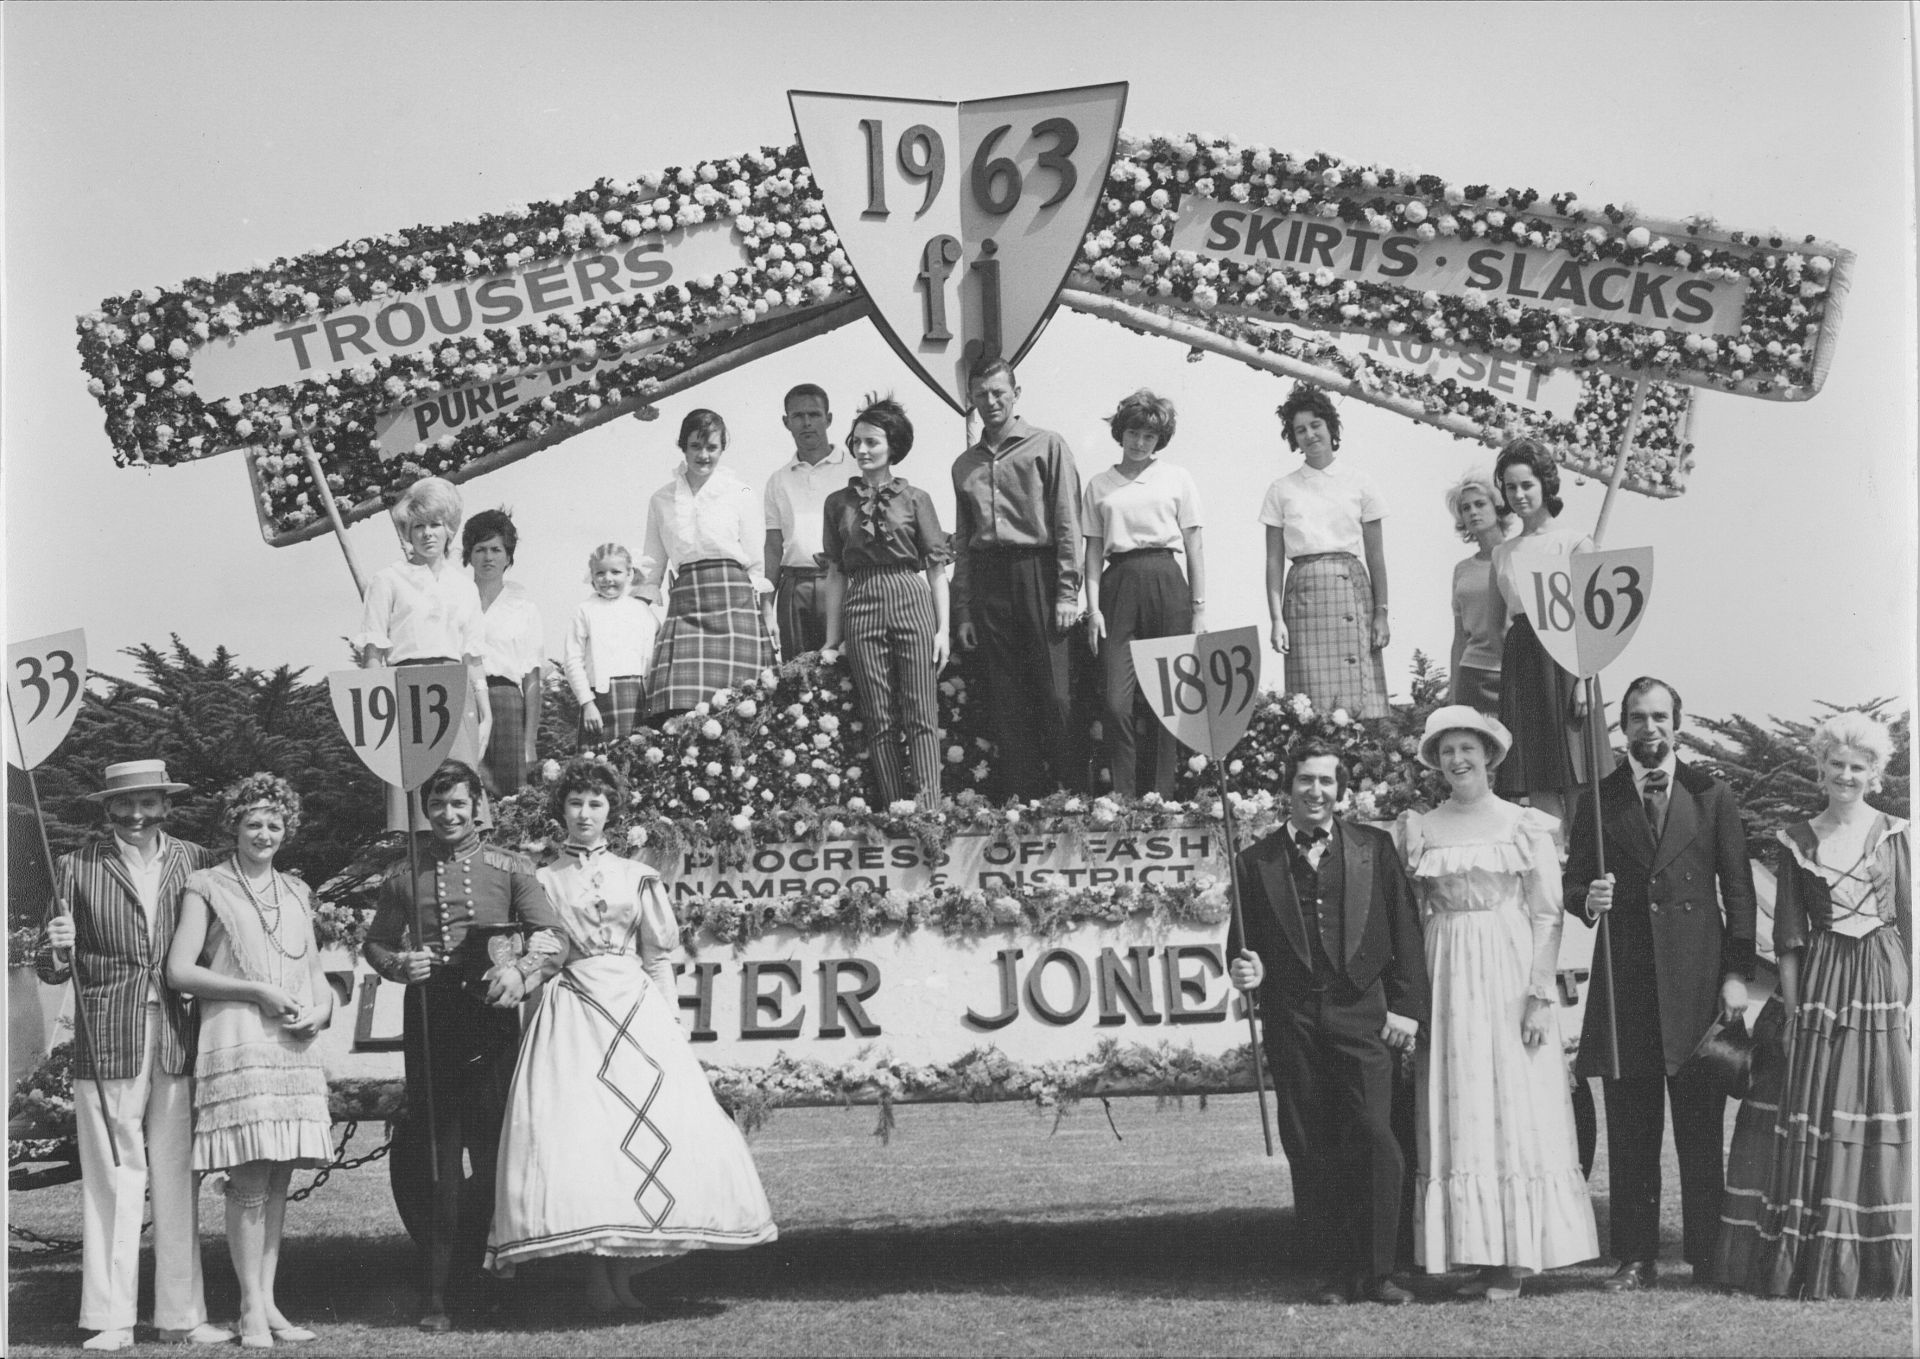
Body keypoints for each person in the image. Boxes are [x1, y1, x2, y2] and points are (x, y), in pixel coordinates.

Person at [487, 758, 777, 1305]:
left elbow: (657, 958)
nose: (584, 814)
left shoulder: (636, 875)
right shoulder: (543, 878)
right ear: (561, 810)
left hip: (637, 1010)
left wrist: (670, 1023)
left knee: (645, 1129)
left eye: (595, 804)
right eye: (575, 803)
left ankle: (626, 1276)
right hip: (573, 1012)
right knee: (586, 1135)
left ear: (611, 811)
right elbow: (540, 957)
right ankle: (596, 1278)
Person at [1395, 708, 1597, 1300]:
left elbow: (1547, 914)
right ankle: (1477, 1251)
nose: (1458, 760)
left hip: (1507, 971)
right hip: (1446, 971)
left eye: (1468, 748)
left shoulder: (1523, 824)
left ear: (1488, 755)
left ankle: (1516, 1256)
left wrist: (1539, 995)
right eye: (1447, 751)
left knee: (1512, 1097)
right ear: (1436, 761)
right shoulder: (1423, 828)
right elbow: (1410, 912)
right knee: (1461, 1102)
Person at [1565, 676, 1757, 1290]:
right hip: (1627, 986)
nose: (1648, 728)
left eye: (1658, 716)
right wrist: (1588, 899)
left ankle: (1706, 1254)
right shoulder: (1599, 798)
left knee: (1699, 1130)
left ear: (1677, 722)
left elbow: (1740, 892)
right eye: (1637, 717)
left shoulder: (1711, 794)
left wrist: (1736, 976)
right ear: (1622, 726)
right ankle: (1636, 1257)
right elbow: (1572, 883)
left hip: (1698, 984)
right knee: (1631, 1130)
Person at [361, 760, 567, 1332]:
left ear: (477, 806)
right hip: (432, 1015)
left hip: (491, 1013)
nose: (448, 815)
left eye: (458, 804)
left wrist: (522, 972)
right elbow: (376, 944)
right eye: (437, 804)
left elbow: (553, 935)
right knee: (440, 1157)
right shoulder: (403, 874)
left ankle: (501, 1279)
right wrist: (399, 965)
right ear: (424, 809)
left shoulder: (511, 866)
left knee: (496, 1150)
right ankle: (440, 1292)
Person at [1713, 711, 1911, 1299]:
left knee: (1873, 1101)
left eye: (1858, 767)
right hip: (1821, 981)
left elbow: (1911, 919)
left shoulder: (1897, 833)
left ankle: (1873, 1258)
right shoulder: (1796, 840)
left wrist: (1911, 1000)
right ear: (1820, 768)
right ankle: (1810, 1251)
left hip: (1880, 978)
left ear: (1874, 773)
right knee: (1818, 1103)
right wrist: (1797, 1011)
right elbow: (1788, 937)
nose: (1846, 775)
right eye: (1836, 765)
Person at [35, 758, 231, 1352]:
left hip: (177, 1032)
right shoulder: (75, 866)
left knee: (177, 1173)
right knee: (113, 1176)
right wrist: (57, 947)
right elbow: (50, 969)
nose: (137, 814)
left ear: (166, 805)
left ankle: (181, 1316)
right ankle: (111, 1318)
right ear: (108, 809)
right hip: (107, 1035)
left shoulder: (197, 861)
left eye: (149, 803)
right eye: (125, 804)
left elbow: (215, 946)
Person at [1227, 741, 1430, 1306]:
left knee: (1375, 1135)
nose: (1315, 791)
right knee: (1311, 1142)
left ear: (1340, 791)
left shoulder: (1373, 847)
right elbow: (1240, 947)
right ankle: (1335, 1274)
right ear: (1287, 788)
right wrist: (1245, 969)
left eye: (1325, 781)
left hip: (1362, 1013)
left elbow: (1405, 929)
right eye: (1305, 780)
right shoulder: (1255, 861)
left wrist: (1406, 1008)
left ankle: (1379, 1271)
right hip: (1292, 1018)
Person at [165, 775, 332, 1349]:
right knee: (250, 1177)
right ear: (234, 826)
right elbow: (180, 971)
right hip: (237, 1038)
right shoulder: (207, 885)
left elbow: (314, 972)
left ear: (287, 830)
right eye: (253, 823)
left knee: (278, 1176)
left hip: (292, 1047)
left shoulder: (297, 890)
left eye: (274, 824)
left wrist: (322, 1010)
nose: (264, 833)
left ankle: (267, 1302)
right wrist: (256, 991)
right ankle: (248, 1307)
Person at [949, 358, 1083, 801]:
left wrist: (1067, 593)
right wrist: (964, 610)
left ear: (1015, 394)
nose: (990, 402)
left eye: (998, 393)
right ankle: (1024, 803)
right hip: (989, 579)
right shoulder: (964, 465)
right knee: (1006, 697)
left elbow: (1067, 522)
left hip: (1037, 573)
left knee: (1056, 694)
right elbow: (964, 541)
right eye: (981, 395)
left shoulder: (1047, 445)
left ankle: (1073, 798)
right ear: (971, 399)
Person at [820, 395, 951, 810]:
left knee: (921, 711)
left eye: (872, 442)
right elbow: (836, 573)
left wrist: (943, 630)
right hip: (861, 600)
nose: (861, 450)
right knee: (878, 716)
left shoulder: (916, 499)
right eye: (856, 442)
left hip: (909, 596)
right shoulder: (837, 503)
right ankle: (896, 810)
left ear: (893, 446)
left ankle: (929, 811)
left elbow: (936, 569)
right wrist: (831, 639)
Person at [1083, 389, 1206, 799]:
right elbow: (1093, 550)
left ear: (1159, 440)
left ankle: (1161, 798)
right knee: (1115, 702)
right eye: (1133, 433)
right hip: (1118, 583)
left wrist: (1199, 608)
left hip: (1167, 581)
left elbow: (1194, 545)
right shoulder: (1099, 484)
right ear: (1121, 432)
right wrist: (1093, 609)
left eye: (1149, 436)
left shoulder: (1177, 478)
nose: (1139, 442)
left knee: (1166, 699)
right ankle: (1124, 798)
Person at [354, 476, 492, 831]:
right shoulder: (387, 580)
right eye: (418, 526)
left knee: (459, 792)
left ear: (450, 530)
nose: (428, 533)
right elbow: (373, 654)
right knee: (417, 804)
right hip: (408, 691)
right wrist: (377, 714)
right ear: (406, 531)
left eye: (436, 524)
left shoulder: (464, 586)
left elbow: (472, 656)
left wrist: (485, 711)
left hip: (456, 693)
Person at [1488, 437, 1609, 823]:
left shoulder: (1574, 542)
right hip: (1523, 662)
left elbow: (1594, 621)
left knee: (1576, 774)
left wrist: (1585, 680)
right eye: (1511, 487)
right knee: (1535, 776)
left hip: (1567, 663)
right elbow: (1496, 624)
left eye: (1527, 484)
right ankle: (1551, 855)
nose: (1519, 494)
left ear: (1545, 483)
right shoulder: (1502, 553)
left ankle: (1583, 857)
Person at [1260, 384, 1390, 719]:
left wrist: (1381, 613)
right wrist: (1276, 620)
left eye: (1315, 425)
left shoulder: (1360, 482)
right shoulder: (1281, 489)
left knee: (1360, 707)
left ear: (1331, 427)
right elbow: (1273, 562)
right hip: (1304, 601)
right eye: (1300, 430)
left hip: (1351, 595)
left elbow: (1376, 557)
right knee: (1311, 708)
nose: (1309, 435)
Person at [637, 409, 776, 720]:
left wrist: (767, 613)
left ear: (722, 448)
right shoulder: (661, 498)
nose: (703, 455)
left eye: (712, 447)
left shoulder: (741, 491)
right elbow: (652, 565)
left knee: (741, 705)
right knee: (678, 705)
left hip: (735, 603)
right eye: (695, 446)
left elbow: (756, 563)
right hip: (686, 605)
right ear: (682, 446)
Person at [464, 508, 544, 796]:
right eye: (480, 549)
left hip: (505, 702)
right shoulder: (456, 600)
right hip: (463, 700)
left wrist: (529, 742)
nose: (488, 557)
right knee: (464, 787)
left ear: (508, 556)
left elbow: (532, 679)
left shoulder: (524, 608)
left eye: (496, 549)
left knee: (508, 794)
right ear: (468, 555)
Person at [763, 383, 845, 659]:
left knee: (846, 668)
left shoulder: (854, 468)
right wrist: (766, 607)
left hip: (843, 582)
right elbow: (773, 546)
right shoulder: (778, 480)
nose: (807, 423)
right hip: (795, 586)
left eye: (814, 414)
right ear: (786, 422)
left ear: (828, 419)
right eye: (798, 416)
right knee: (798, 674)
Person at [563, 542, 657, 747]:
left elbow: (655, 648)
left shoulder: (641, 610)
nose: (608, 578)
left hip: (638, 698)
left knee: (638, 758)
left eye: (616, 572)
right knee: (599, 761)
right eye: (600, 573)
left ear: (629, 574)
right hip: (599, 701)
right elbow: (572, 661)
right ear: (592, 576)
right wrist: (587, 703)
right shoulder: (585, 610)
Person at [1441, 468, 1511, 713]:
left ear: (1497, 507)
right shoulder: (1462, 569)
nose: (1472, 512)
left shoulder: (1519, 556)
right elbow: (1459, 637)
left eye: (1480, 504)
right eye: (1465, 508)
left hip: (1514, 672)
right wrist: (1453, 692)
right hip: (1472, 676)